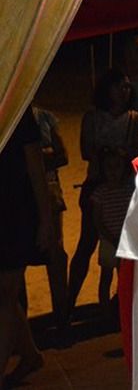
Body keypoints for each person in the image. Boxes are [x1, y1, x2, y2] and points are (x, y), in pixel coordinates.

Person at [68, 69, 138, 317]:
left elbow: (137, 149)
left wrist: (109, 153)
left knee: (124, 247)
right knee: (87, 242)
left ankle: (118, 305)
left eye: (126, 87)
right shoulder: (93, 118)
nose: (124, 91)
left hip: (125, 188)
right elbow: (85, 150)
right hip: (98, 185)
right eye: (118, 86)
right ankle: (68, 303)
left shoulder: (136, 119)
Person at [0, 111, 54, 387]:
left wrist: (45, 219)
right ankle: (31, 355)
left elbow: (36, 165)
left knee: (7, 292)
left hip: (14, 210)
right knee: (5, 293)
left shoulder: (16, 108)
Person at [30, 105, 70, 331]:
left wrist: (32, 159)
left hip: (49, 188)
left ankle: (61, 316)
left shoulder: (45, 117)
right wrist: (44, 155)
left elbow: (62, 155)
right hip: (24, 190)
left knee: (55, 251)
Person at [90, 147, 136, 320]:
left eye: (117, 167)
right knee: (106, 277)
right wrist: (110, 237)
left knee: (123, 277)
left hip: (124, 241)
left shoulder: (128, 191)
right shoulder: (100, 193)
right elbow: (97, 221)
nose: (113, 172)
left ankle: (121, 311)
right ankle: (105, 312)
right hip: (109, 241)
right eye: (109, 167)